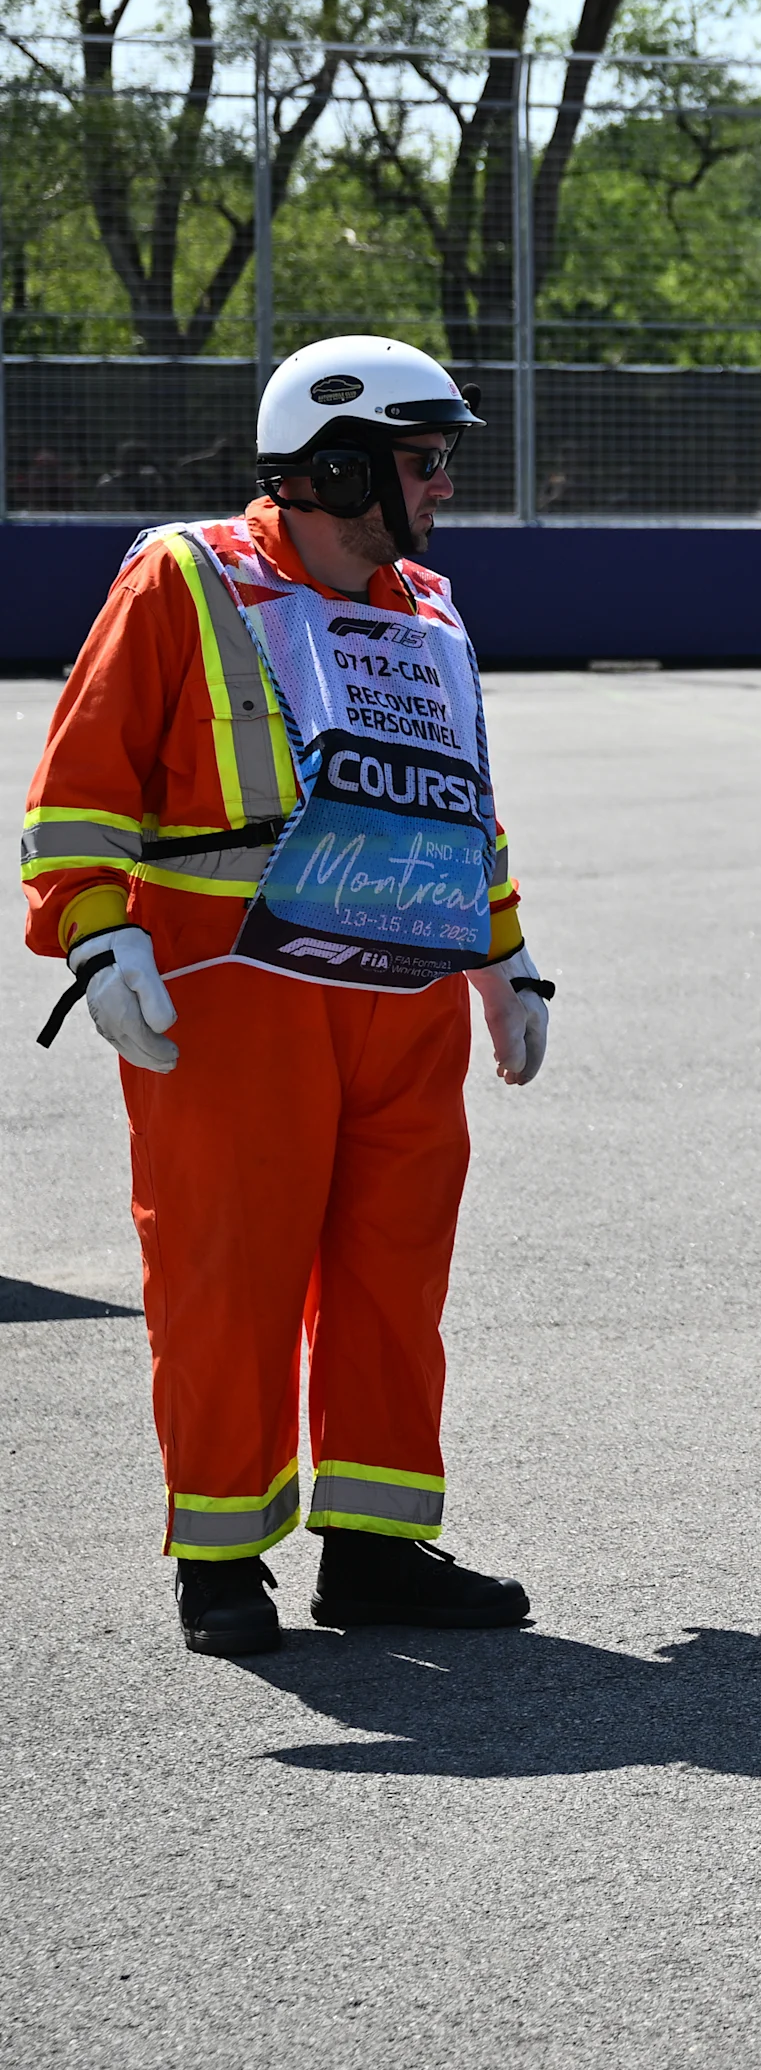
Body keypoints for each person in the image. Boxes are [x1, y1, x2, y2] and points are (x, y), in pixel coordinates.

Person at [21, 334, 553, 1659]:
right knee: (228, 1270)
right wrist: (99, 938)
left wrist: (507, 956)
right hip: (231, 988)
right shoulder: (183, 579)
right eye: (422, 461)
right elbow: (77, 784)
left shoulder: (425, 606)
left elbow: (453, 799)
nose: (441, 486)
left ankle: (374, 1551)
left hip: (403, 994)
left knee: (391, 1274)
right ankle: (220, 1560)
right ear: (336, 463)